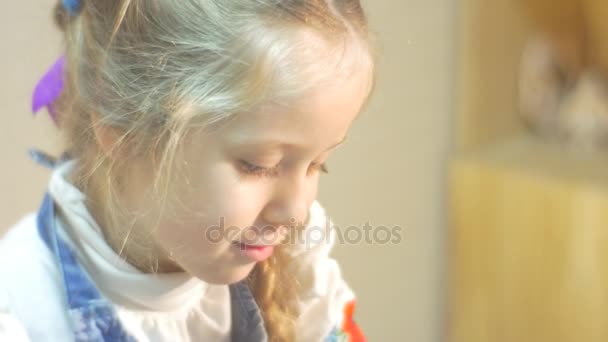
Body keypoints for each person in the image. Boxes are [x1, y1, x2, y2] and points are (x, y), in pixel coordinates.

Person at [0, 0, 375, 341]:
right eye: (258, 165)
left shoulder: (296, 258)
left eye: (317, 165)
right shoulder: (21, 309)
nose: (296, 212)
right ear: (123, 130)